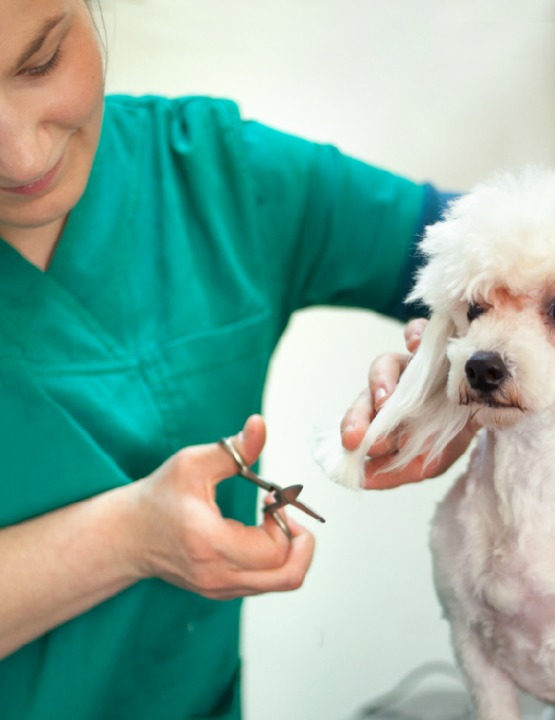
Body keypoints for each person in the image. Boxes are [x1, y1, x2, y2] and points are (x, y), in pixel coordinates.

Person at [0, 1, 474, 718]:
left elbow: (526, 259)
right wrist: (129, 538)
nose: (22, 156)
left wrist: (456, 371)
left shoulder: (215, 181)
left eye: (39, 63)